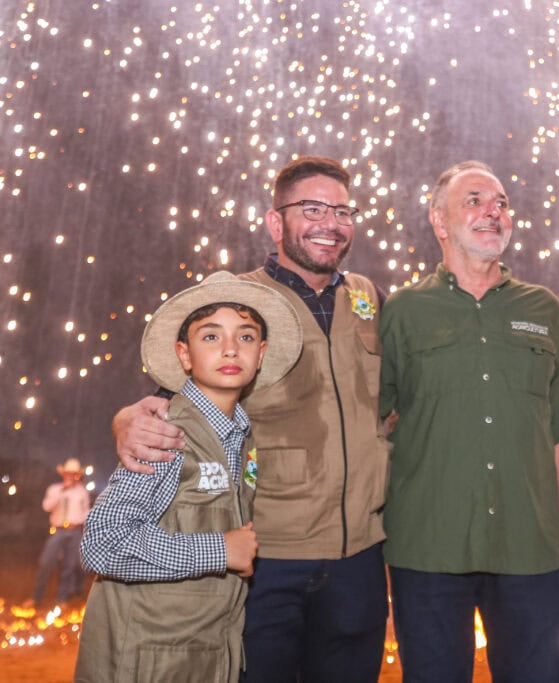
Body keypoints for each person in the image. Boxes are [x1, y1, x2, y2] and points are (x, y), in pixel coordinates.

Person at [110, 156, 391, 682]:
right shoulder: (237, 300)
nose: (330, 223)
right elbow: (174, 397)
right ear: (274, 221)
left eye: (343, 211)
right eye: (312, 208)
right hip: (265, 558)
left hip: (359, 559)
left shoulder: (370, 298)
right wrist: (127, 417)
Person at [379, 160, 559, 683]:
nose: (492, 212)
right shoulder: (403, 312)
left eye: (500, 202)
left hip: (528, 552)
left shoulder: (543, 309)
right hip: (426, 550)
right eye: (474, 200)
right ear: (439, 220)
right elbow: (375, 429)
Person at [76, 271, 302, 682]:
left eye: (246, 337)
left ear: (262, 352)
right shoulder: (166, 433)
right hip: (146, 660)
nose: (231, 349)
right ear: (184, 354)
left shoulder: (241, 436)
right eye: (211, 337)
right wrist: (219, 551)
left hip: (205, 653)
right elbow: (102, 543)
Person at [30, 457, 91, 609]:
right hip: (58, 530)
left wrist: (80, 521)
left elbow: (87, 512)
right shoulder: (54, 489)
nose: (71, 476)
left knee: (69, 566)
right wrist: (62, 491)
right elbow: (46, 507)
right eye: (69, 473)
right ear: (64, 474)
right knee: (46, 562)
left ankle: (62, 599)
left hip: (75, 531)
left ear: (78, 475)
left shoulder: (82, 491)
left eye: (74, 474)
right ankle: (36, 598)